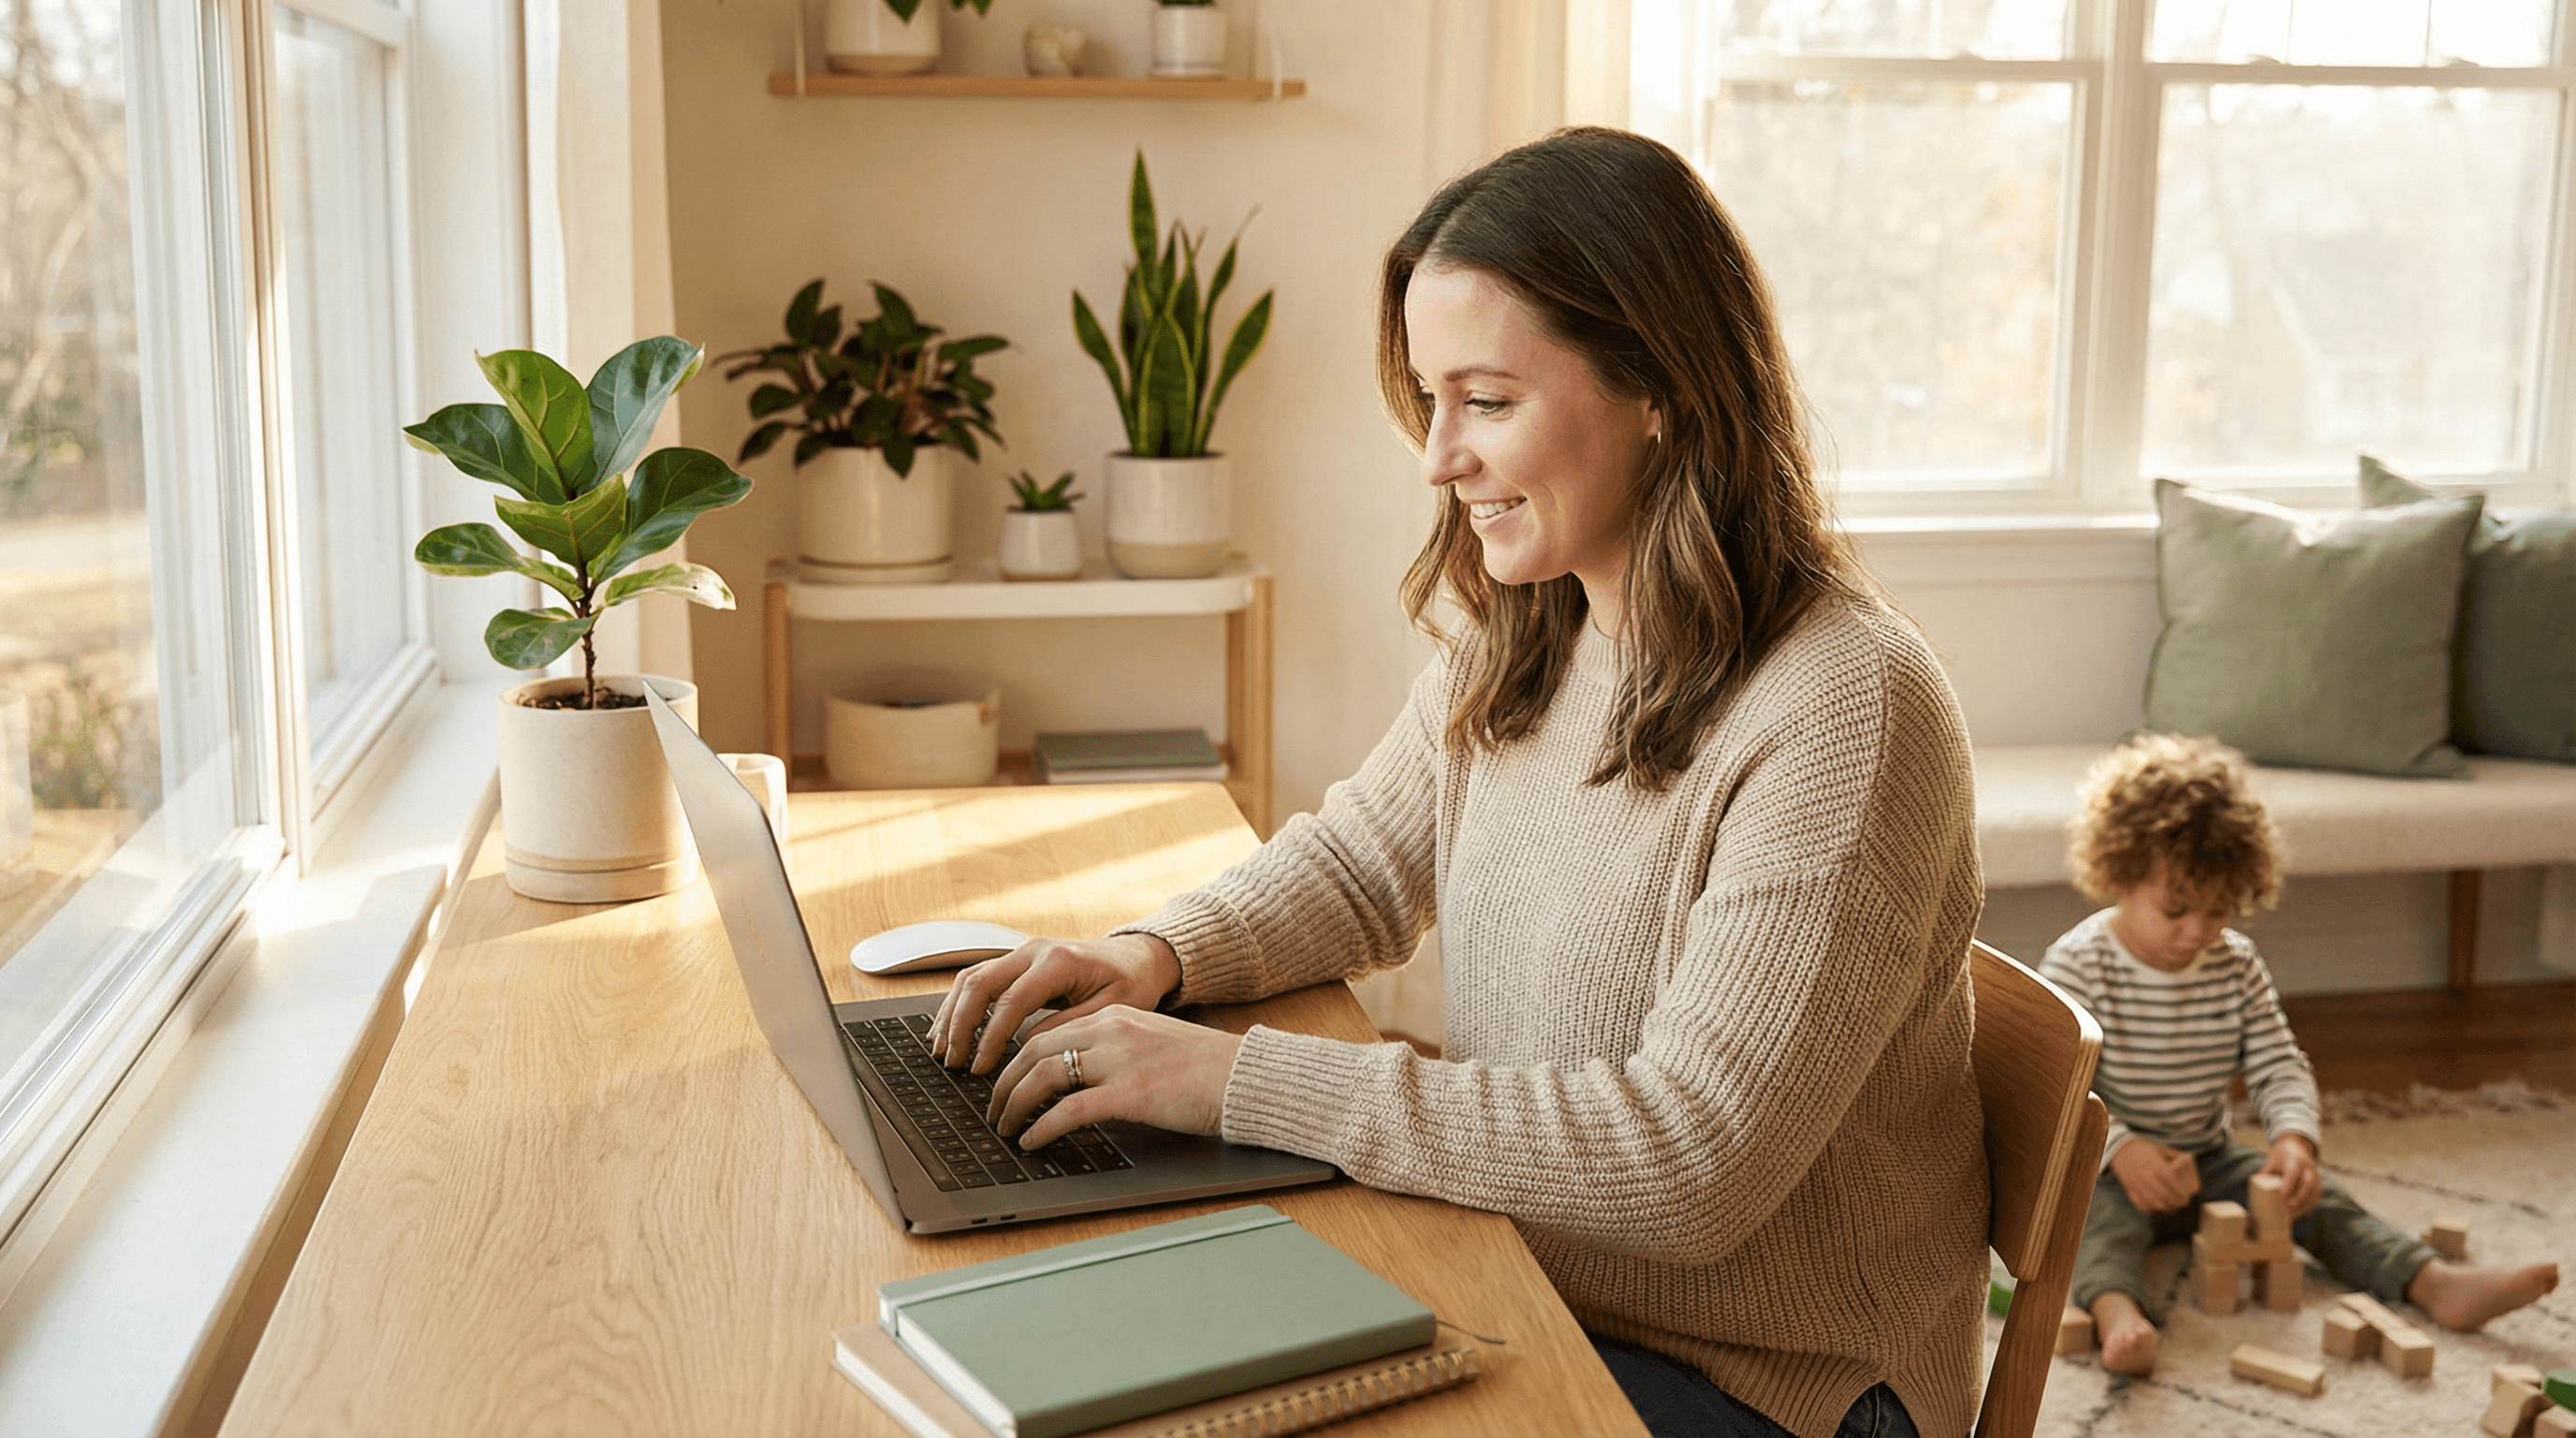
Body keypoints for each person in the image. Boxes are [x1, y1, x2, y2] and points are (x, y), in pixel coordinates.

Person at [930, 127, 1989, 1438]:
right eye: (1430, 400)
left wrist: (1234, 1083)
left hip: (1774, 1382)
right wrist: (1156, 956)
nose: (1438, 457)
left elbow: (1691, 1163)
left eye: (1486, 402)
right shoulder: (1537, 622)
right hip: (1525, 1272)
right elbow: (1364, 863)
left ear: (1660, 383)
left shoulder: (1842, 705)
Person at [2042, 734, 2561, 1378]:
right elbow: (2060, 1085)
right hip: (2111, 1165)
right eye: (2176, 909)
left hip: (2208, 1158)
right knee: (2093, 1227)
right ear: (2118, 872)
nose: (2197, 932)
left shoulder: (2233, 964)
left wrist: (2294, 1139)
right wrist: (2122, 1148)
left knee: (2323, 1203)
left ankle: (2434, 1284)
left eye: (2218, 911)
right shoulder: (2078, 962)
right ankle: (2120, 1316)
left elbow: (2277, 1062)